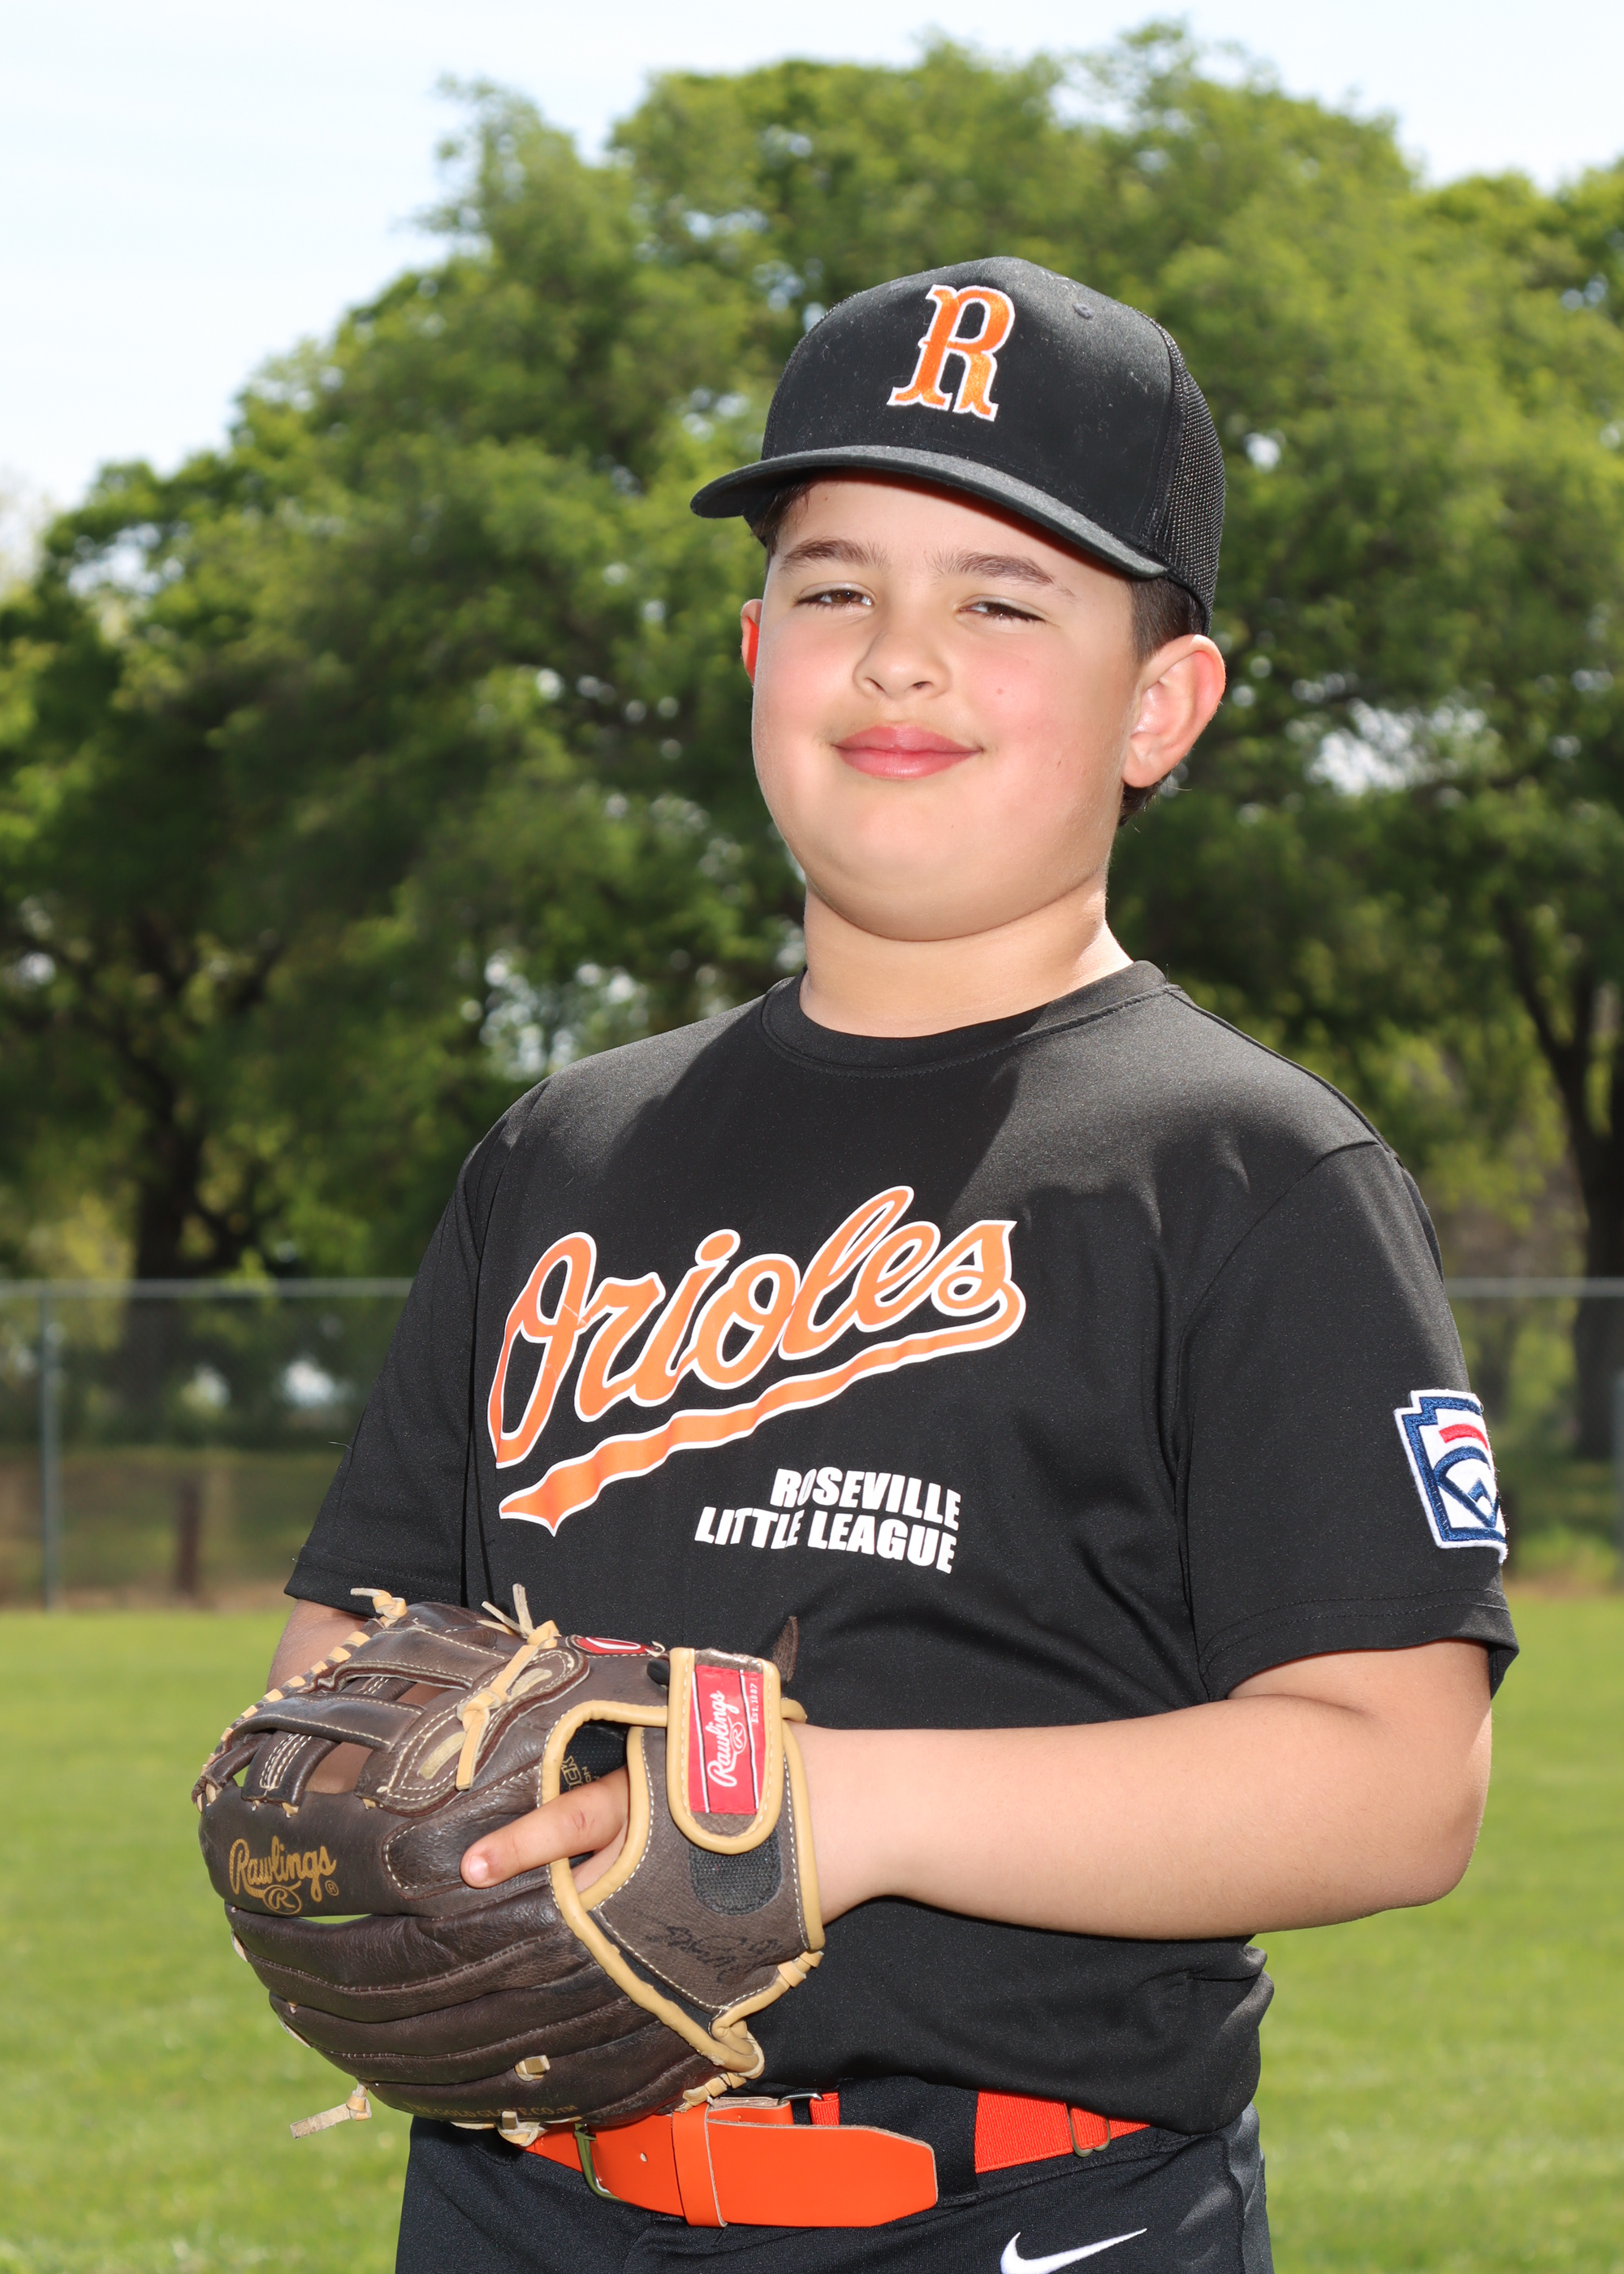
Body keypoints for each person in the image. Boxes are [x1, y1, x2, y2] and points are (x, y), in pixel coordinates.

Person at [270, 257, 1515, 2272]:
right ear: (755, 649)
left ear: (1161, 704)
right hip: (518, 2201)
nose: (900, 657)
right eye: (835, 587)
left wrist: (832, 1809)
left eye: (1002, 601)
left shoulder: (1246, 1168)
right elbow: (346, 1650)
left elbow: (1395, 1781)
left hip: (1017, 2207)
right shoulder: (565, 1149)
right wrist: (403, 1789)